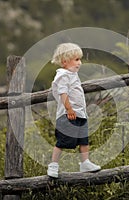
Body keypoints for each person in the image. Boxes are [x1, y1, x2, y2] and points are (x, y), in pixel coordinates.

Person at [47, 43, 101, 178]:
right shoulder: (63, 75)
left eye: (80, 59)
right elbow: (63, 93)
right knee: (62, 141)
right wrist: (69, 108)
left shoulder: (72, 75)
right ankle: (53, 165)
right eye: (76, 60)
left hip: (80, 114)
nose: (80, 63)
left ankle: (85, 162)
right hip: (68, 114)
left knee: (84, 139)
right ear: (65, 62)